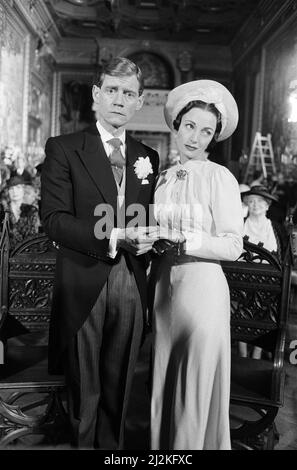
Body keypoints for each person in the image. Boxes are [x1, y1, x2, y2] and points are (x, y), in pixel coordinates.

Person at [41, 57, 159, 449]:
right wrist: (115, 235)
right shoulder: (65, 148)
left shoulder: (148, 157)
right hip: (84, 276)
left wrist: (150, 237)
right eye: (112, 90)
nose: (119, 100)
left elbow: (145, 215)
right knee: (85, 389)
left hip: (130, 277)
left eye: (129, 93)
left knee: (119, 384)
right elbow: (54, 220)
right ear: (96, 94)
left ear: (140, 102)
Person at [149, 80, 243, 450]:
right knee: (163, 375)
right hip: (163, 289)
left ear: (213, 138)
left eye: (206, 131)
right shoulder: (162, 179)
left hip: (203, 290)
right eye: (190, 126)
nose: (196, 137)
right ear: (177, 125)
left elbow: (234, 245)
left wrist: (187, 241)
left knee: (195, 381)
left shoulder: (220, 178)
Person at [238, 185, 288, 359]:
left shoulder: (277, 229)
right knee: (242, 316)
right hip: (241, 281)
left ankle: (258, 353)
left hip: (269, 284)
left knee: (265, 317)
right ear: (246, 204)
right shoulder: (239, 225)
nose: (255, 205)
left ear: (267, 205)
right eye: (251, 201)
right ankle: (243, 354)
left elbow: (286, 257)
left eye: (260, 201)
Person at [0, 174, 40, 250]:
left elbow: (34, 235)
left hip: (27, 253)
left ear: (23, 190)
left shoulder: (31, 210)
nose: (15, 191)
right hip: (5, 254)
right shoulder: (2, 211)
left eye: (18, 188)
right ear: (7, 191)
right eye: (11, 189)